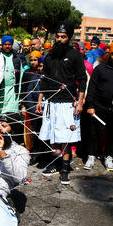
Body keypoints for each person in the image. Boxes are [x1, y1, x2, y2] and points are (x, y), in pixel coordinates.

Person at [36, 21, 87, 185]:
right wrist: (40, 100)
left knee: (65, 138)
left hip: (67, 102)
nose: (59, 39)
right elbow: (44, 79)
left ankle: (64, 169)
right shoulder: (49, 56)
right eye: (57, 36)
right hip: (51, 102)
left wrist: (80, 103)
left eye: (63, 37)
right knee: (53, 137)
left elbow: (82, 80)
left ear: (69, 37)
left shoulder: (75, 55)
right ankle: (54, 164)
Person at [84, 41, 113, 171]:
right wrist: (90, 105)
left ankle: (109, 157)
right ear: (109, 53)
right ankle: (91, 156)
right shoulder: (100, 69)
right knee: (93, 133)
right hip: (99, 107)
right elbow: (92, 88)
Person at [0, 35, 25, 144]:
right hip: (0, 91)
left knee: (12, 117)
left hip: (13, 91)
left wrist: (19, 92)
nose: (7, 46)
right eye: (5, 44)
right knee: (0, 118)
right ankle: (0, 142)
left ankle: (14, 142)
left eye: (9, 44)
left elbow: (21, 75)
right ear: (2, 45)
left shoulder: (17, 58)